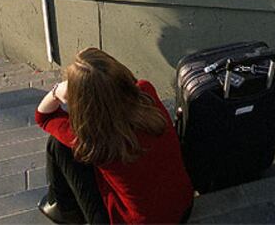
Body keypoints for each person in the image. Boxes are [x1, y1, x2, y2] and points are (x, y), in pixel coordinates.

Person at [35, 47, 194, 224]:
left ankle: (63, 208)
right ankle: (62, 207)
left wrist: (56, 91)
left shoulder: (90, 137)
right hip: (182, 206)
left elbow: (43, 117)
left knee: (58, 145)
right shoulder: (146, 93)